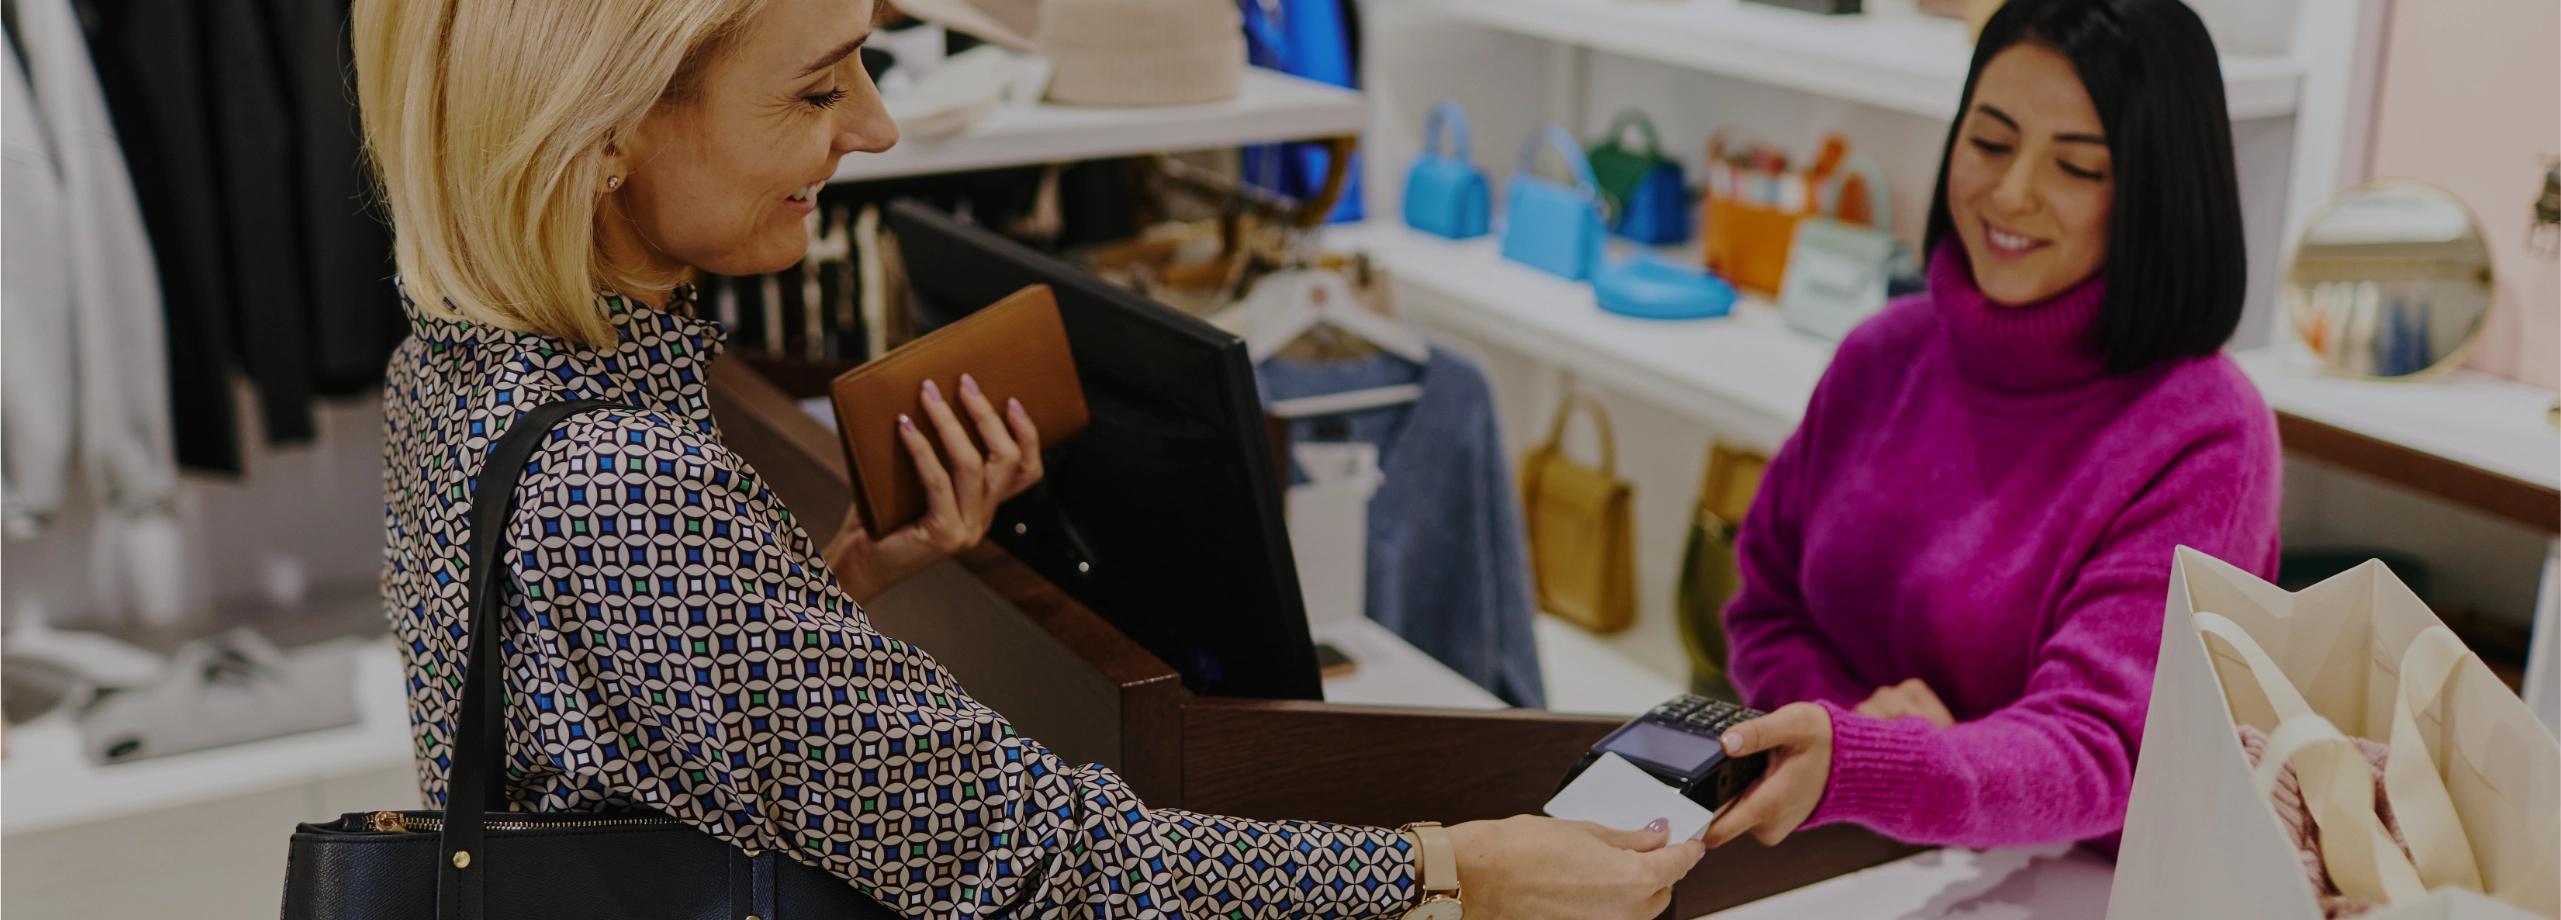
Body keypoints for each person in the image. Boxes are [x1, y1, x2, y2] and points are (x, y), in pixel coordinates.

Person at [355, 0, 1702, 917]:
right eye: (820, 85)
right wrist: (1458, 873)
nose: (876, 126)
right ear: (602, 138)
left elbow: (608, 717)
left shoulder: (467, 364)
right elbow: (1031, 861)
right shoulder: (623, 480)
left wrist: (839, 584)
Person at [1701, 0, 2281, 853]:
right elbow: (1765, 606)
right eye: (1990, 142)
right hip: (1847, 855)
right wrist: (1852, 729)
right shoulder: (1881, 353)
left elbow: (2098, 743)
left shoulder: (2205, 433)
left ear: (2155, 194)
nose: (2010, 193)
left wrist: (1878, 762)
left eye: (2077, 166)